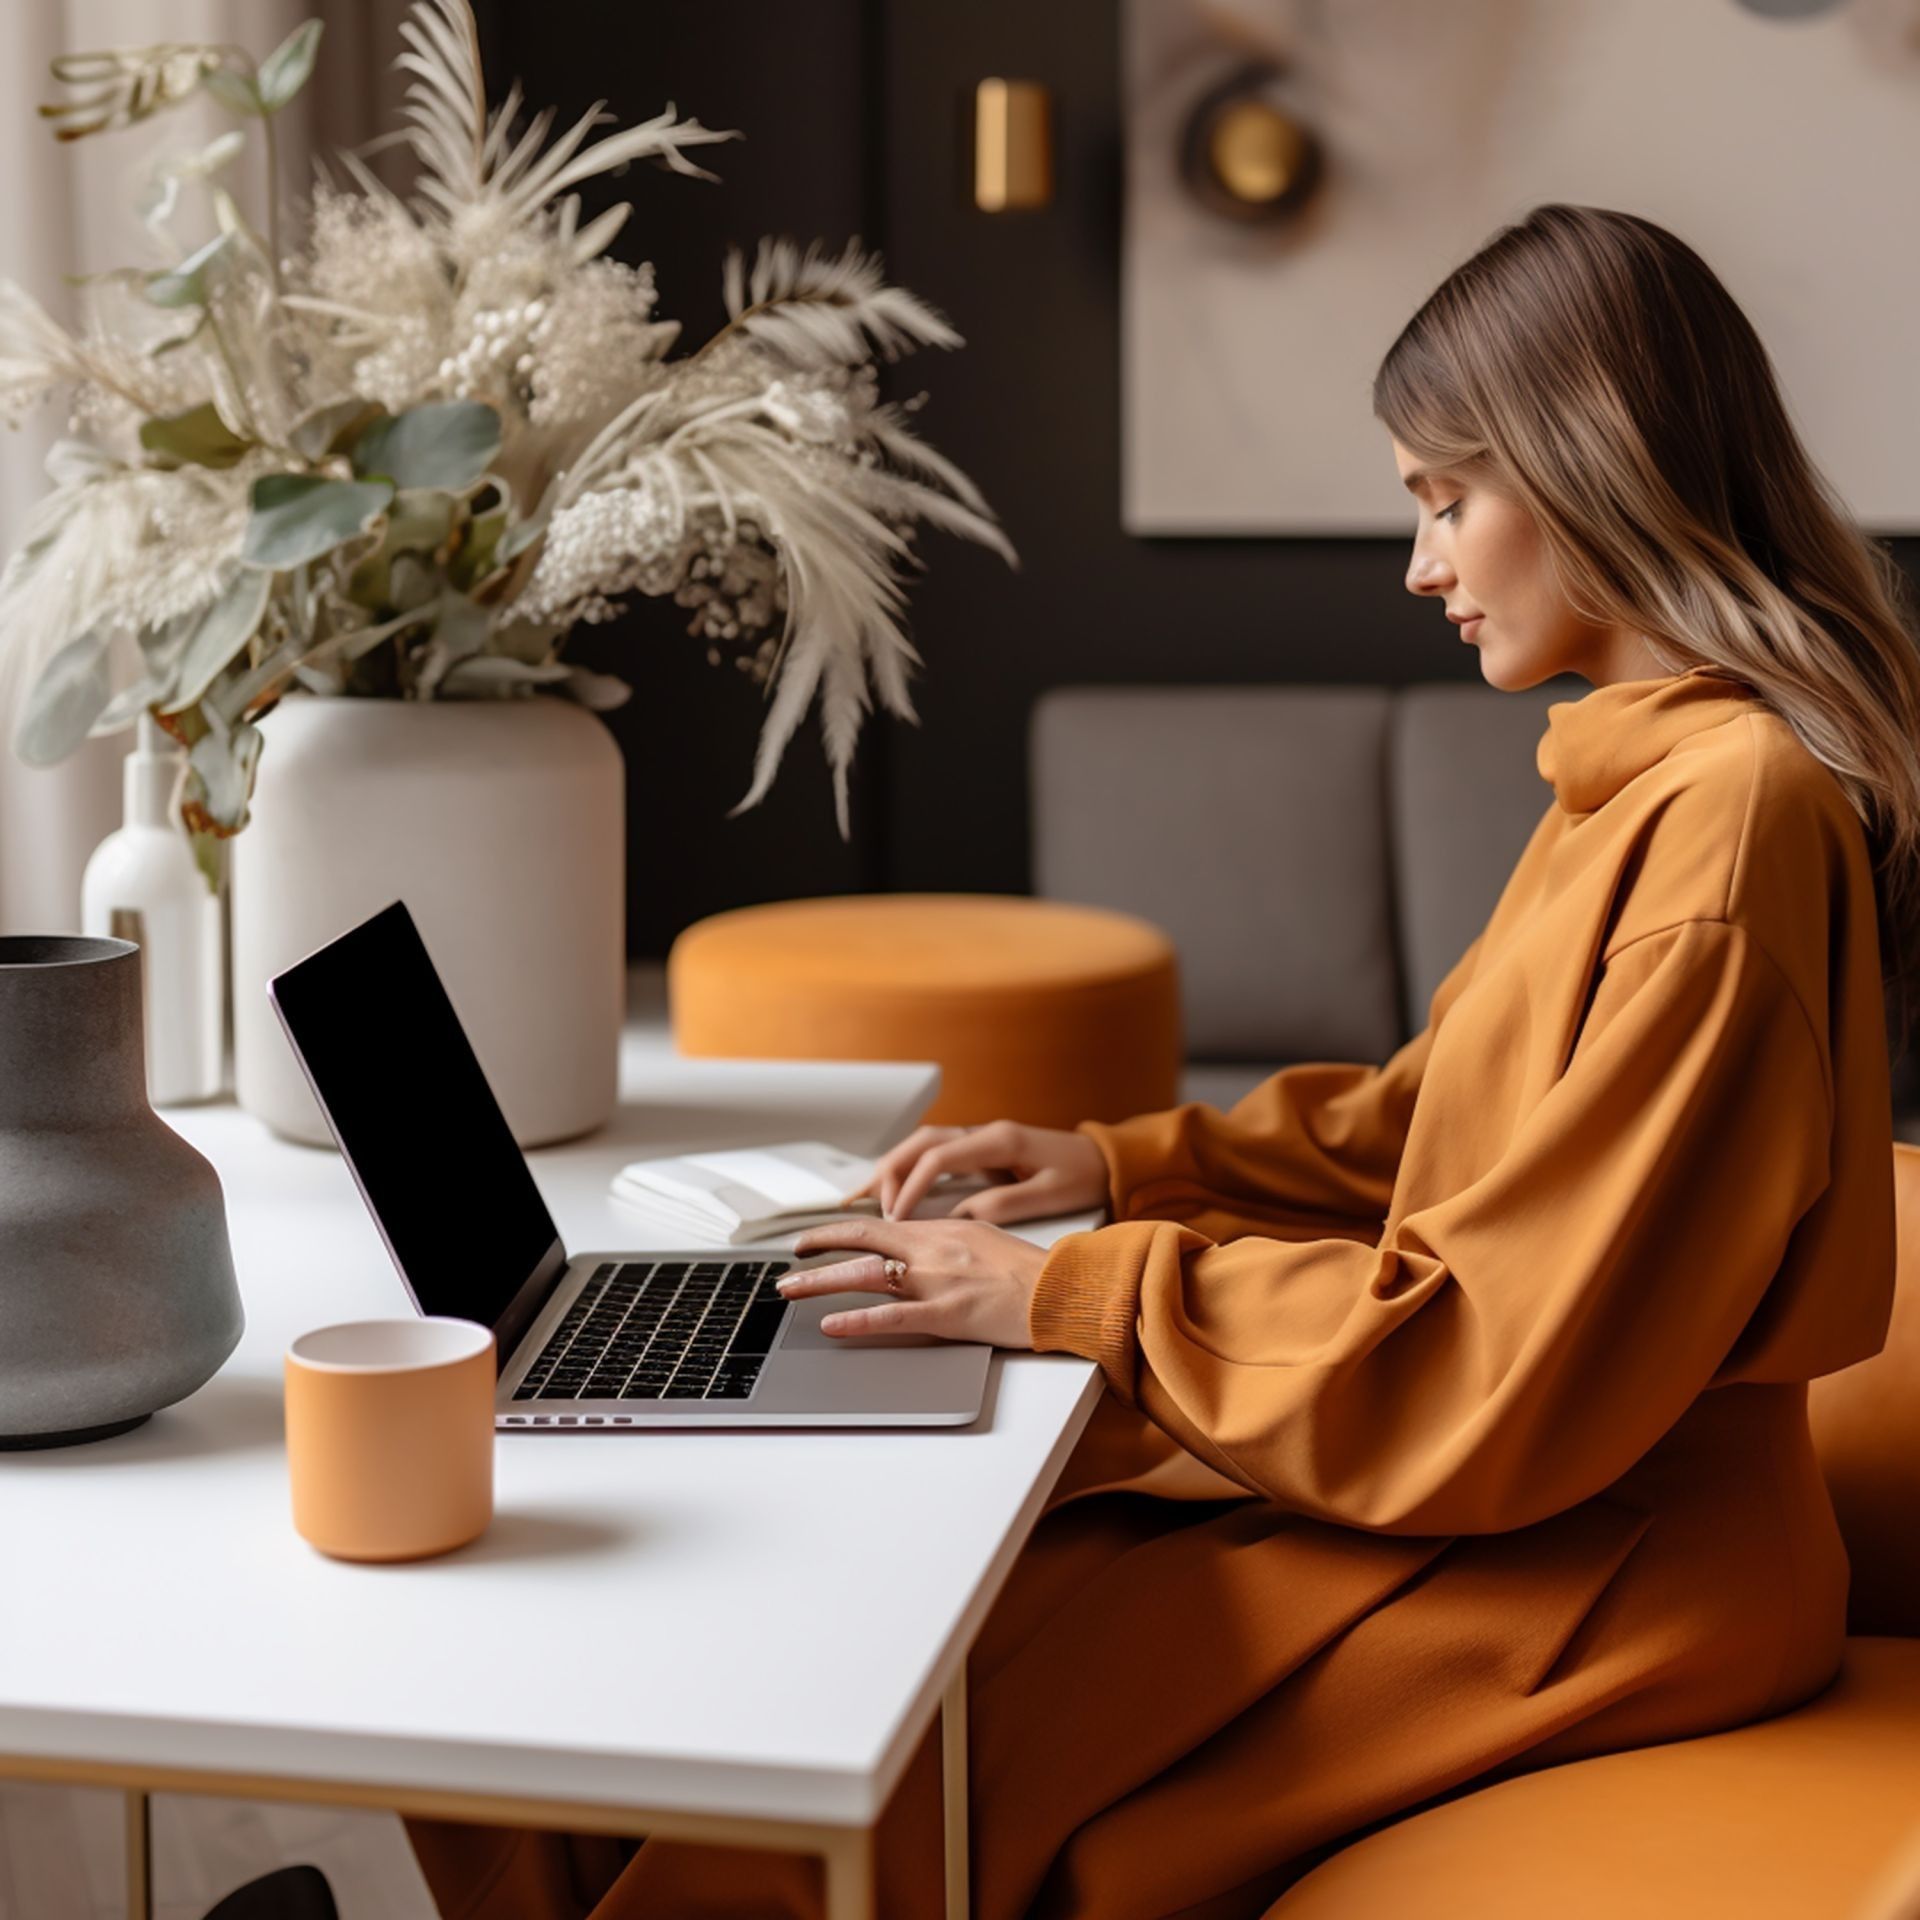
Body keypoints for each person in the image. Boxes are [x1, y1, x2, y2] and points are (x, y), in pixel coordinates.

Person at [406, 202, 1919, 1919]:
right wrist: (1124, 1165)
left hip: (1595, 1565)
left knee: (952, 1733)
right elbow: (1435, 1124)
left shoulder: (1725, 827)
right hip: (1515, 1499)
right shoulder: (1639, 789)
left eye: (1445, 500)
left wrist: (1072, 1295)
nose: (1422, 564)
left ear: (1594, 467)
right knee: (857, 1621)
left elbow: (1498, 1358)